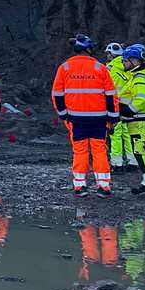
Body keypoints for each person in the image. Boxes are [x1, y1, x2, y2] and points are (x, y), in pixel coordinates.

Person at [52, 34, 118, 197]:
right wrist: (113, 117)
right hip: (99, 118)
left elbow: (57, 95)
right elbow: (111, 95)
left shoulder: (65, 68)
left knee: (80, 151)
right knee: (99, 151)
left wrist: (63, 115)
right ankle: (103, 186)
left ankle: (80, 186)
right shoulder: (100, 68)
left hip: (76, 118)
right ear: (89, 49)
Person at [119, 44, 145, 196]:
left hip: (140, 121)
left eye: (125, 61)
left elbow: (141, 100)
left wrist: (127, 110)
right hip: (141, 121)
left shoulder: (139, 78)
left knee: (141, 153)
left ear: (135, 61)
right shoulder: (140, 76)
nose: (123, 63)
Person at [103, 42, 136, 169]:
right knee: (128, 134)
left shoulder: (109, 68)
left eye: (108, 53)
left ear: (112, 54)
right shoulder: (129, 66)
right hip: (130, 105)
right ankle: (132, 161)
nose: (107, 56)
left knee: (115, 134)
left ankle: (117, 162)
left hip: (115, 105)